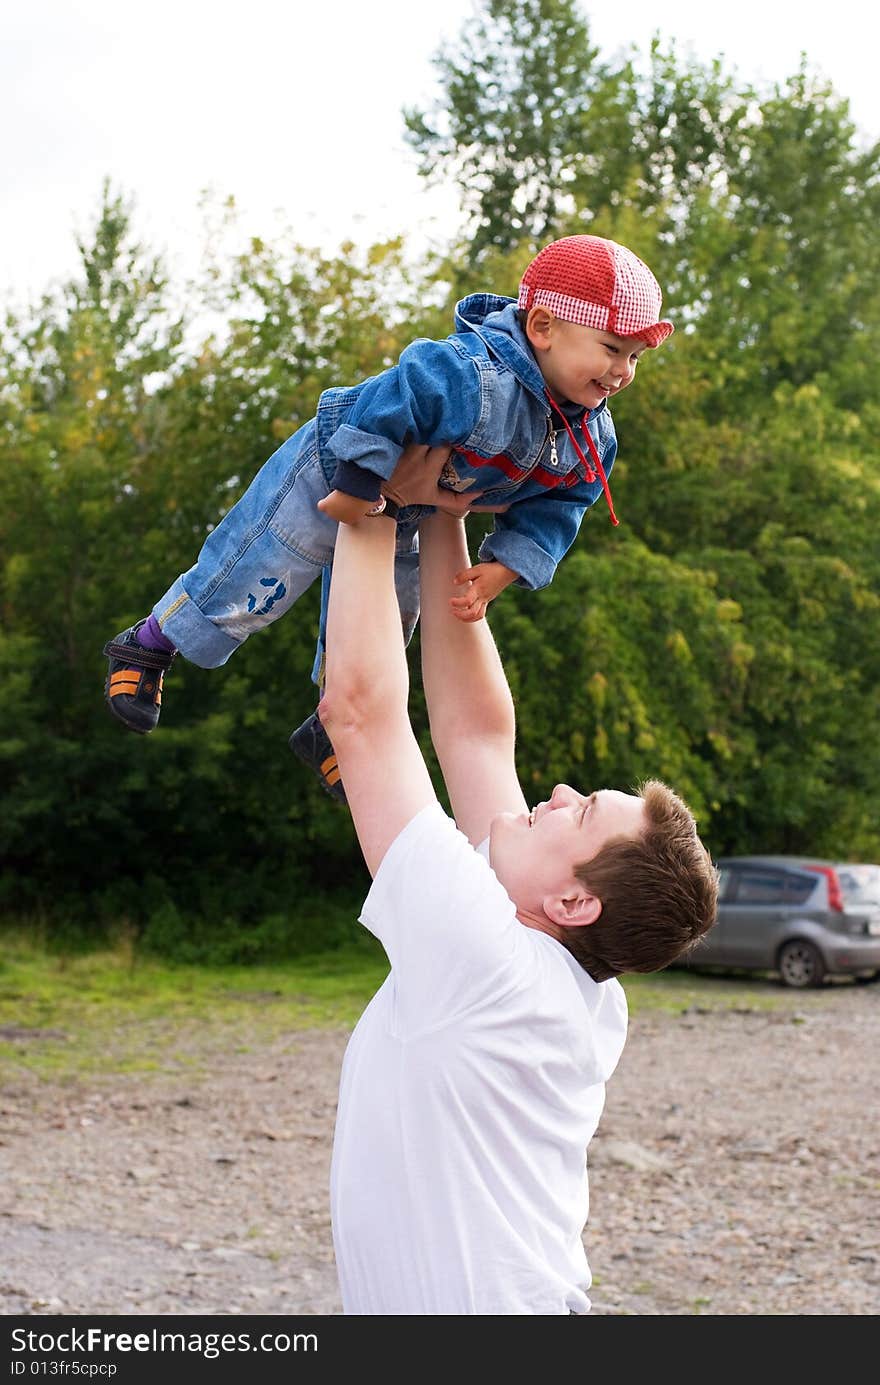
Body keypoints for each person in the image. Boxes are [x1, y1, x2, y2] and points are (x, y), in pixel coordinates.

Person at [318, 447, 717, 1315]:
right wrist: (449, 517)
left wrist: (375, 491)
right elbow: (476, 738)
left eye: (580, 813)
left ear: (575, 901)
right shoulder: (576, 987)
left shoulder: (489, 961)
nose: (560, 792)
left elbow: (357, 712)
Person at [101, 235, 673, 799]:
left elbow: (565, 503)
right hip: (335, 468)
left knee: (387, 621)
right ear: (543, 328)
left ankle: (333, 723)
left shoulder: (592, 434)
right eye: (611, 348)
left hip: (409, 510)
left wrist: (507, 566)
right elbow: (394, 398)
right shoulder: (472, 373)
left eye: (635, 358)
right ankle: (151, 644)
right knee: (260, 572)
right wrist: (356, 483)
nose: (622, 371)